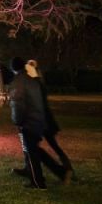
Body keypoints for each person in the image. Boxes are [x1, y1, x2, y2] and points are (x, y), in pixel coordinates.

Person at [9, 56, 67, 190]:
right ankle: (60, 172)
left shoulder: (18, 83)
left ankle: (37, 182)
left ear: (13, 68)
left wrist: (17, 121)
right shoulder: (32, 80)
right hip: (38, 120)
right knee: (35, 151)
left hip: (28, 122)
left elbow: (17, 105)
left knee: (31, 151)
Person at [27, 59, 74, 177]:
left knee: (40, 146)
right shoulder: (36, 83)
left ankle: (67, 170)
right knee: (33, 146)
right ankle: (29, 168)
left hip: (43, 122)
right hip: (42, 121)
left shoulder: (37, 84)